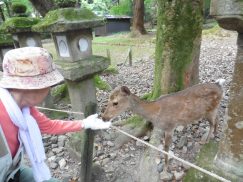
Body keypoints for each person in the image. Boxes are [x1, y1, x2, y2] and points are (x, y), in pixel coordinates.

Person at [0, 47, 111, 182]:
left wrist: (84, 123)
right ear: (31, 87)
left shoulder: (24, 109)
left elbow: (49, 125)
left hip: (13, 172)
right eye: (48, 84)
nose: (49, 89)